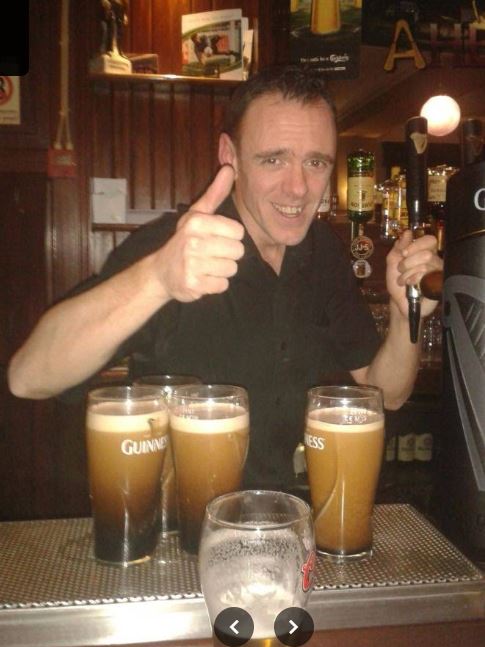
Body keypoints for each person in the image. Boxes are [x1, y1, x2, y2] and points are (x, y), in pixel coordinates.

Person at [8, 65, 442, 490]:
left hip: (278, 515)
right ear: (229, 155)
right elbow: (29, 376)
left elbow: (385, 394)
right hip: (177, 524)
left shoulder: (323, 251)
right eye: (273, 159)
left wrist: (405, 314)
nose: (298, 187)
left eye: (315, 162)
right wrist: (157, 278)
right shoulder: (173, 247)